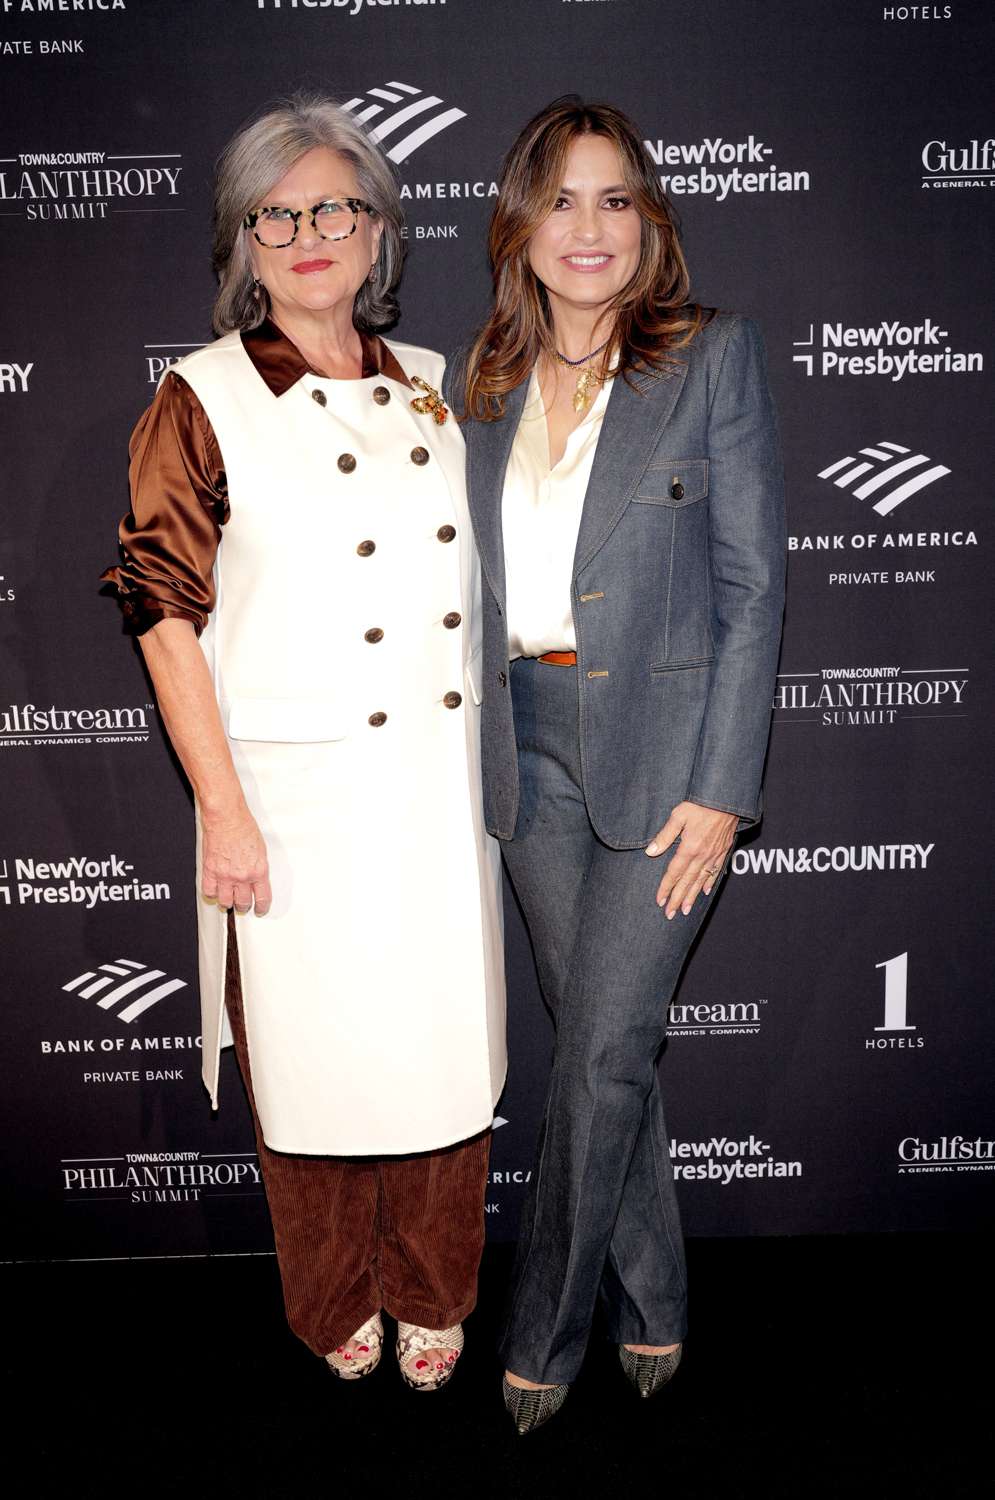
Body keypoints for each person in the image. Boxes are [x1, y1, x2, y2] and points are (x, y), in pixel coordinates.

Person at [101, 95, 506, 1391]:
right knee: (312, 1058)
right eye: (276, 215)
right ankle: (335, 1299)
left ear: (380, 229)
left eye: (334, 205)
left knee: (443, 1055)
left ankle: (437, 1289)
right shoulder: (202, 397)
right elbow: (163, 616)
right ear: (244, 244)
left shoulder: (441, 387)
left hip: (435, 795)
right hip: (293, 794)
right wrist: (221, 806)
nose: (307, 232)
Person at [449, 96, 785, 1433]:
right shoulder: (476, 380)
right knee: (610, 1054)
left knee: (592, 1064)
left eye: (616, 201)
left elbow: (754, 589)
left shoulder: (710, 360)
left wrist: (725, 787)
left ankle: (544, 1336)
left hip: (666, 766)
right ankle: (661, 1305)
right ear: (521, 225)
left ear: (650, 220)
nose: (589, 230)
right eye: (563, 202)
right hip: (524, 757)